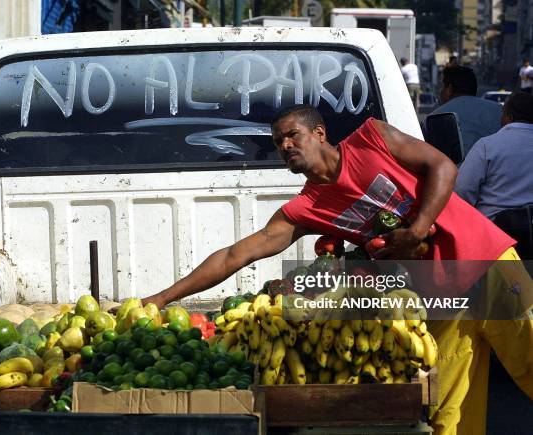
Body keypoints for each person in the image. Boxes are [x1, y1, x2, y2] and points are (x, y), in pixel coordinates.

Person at [142, 104, 532, 435]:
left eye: (292, 135)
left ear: (320, 132)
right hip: (440, 298)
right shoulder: (306, 208)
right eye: (278, 143)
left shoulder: (373, 138)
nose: (285, 146)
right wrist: (159, 299)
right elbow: (234, 256)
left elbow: (443, 166)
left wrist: (414, 231)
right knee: (449, 414)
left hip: (484, 260)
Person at [455, 92, 533, 219]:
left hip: (495, 230)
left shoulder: (487, 145)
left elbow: (463, 190)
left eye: (502, 113)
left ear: (509, 116)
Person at [429, 66, 502, 158]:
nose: (440, 91)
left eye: (442, 86)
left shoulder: (435, 117)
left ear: (449, 90)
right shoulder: (500, 111)